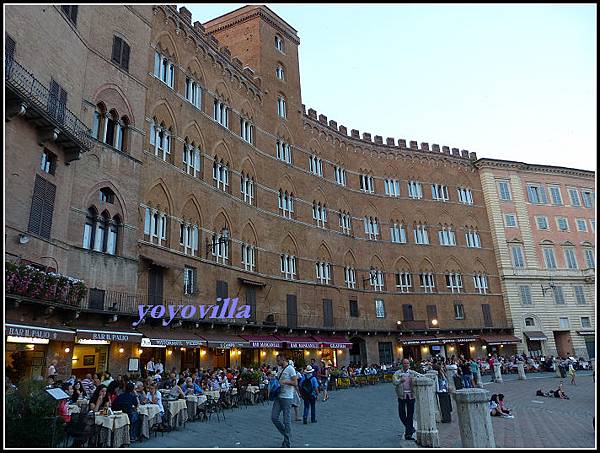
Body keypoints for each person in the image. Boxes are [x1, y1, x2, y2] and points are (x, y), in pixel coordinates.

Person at [271, 352, 297, 448]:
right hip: (278, 396)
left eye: (278, 360)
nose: (277, 362)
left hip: (287, 397)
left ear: (283, 359)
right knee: (274, 417)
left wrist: (285, 381)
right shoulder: (279, 368)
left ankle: (287, 442)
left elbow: (295, 382)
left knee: (286, 420)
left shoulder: (291, 369)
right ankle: (287, 435)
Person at [392, 358, 422, 441]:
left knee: (410, 414)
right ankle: (410, 428)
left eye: (407, 363)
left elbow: (421, 376)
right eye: (404, 363)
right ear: (402, 364)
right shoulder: (397, 373)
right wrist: (400, 381)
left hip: (411, 396)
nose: (406, 365)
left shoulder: (412, 373)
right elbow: (394, 382)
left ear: (409, 364)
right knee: (401, 414)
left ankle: (408, 434)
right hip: (401, 396)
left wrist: (416, 379)